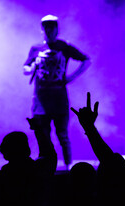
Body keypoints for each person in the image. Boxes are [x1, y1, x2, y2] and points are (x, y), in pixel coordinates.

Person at [23, 15, 91, 168]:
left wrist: (71, 77)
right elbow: (25, 69)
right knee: (43, 136)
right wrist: (32, 66)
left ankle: (69, 169)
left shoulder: (64, 47)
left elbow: (86, 60)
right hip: (40, 100)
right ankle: (45, 168)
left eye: (52, 27)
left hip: (59, 99)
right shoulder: (36, 49)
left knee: (62, 135)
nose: (49, 31)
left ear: (57, 29)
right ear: (42, 30)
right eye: (46, 28)